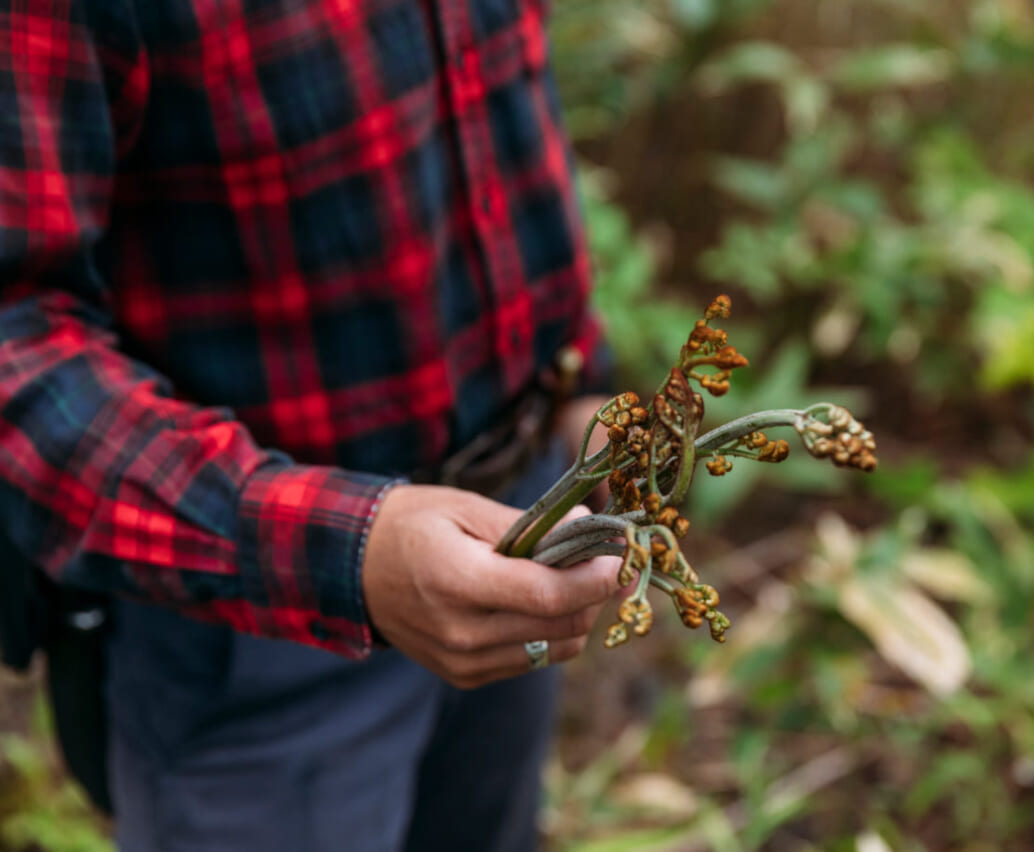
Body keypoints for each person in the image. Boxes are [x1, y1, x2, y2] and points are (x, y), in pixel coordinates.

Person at [0, 0, 619, 848]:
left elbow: (490, 92)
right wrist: (344, 556)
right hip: (255, 639)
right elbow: (16, 339)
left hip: (524, 518)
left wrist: (579, 370)